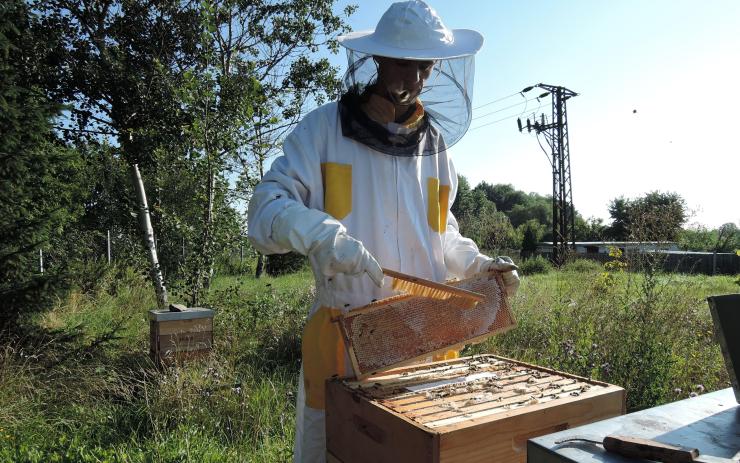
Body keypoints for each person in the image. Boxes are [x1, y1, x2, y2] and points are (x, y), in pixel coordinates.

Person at [247, 1, 519, 461]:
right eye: (401, 63)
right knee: (336, 451)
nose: (412, 79)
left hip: (426, 336)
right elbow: (263, 212)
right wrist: (320, 234)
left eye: (424, 67)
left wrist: (478, 264)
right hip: (344, 337)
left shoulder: (437, 150)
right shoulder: (322, 130)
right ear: (377, 59)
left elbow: (443, 234)